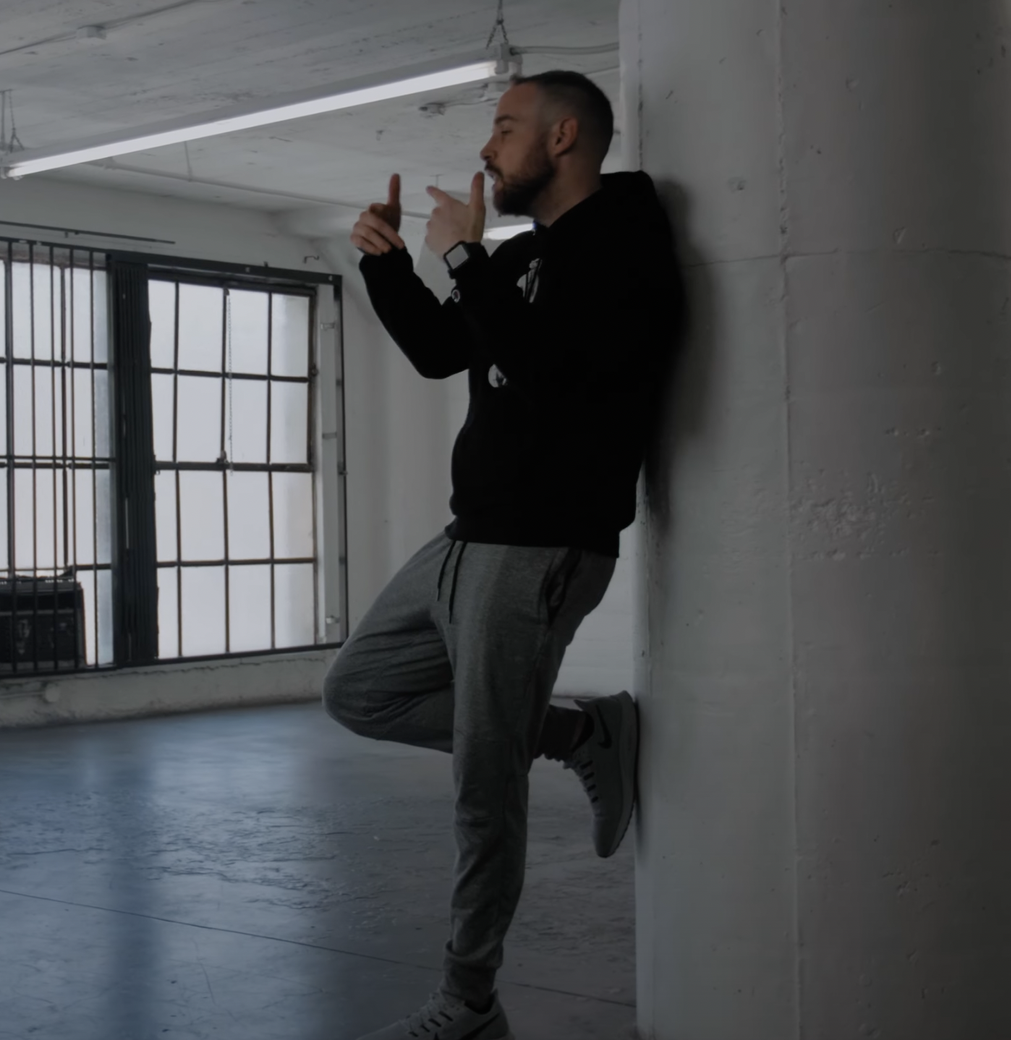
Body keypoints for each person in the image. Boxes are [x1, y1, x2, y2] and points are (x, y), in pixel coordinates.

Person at [325, 68, 682, 1040]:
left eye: (504, 126)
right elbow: (453, 351)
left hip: (541, 545)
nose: (486, 148)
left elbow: (557, 373)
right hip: (469, 534)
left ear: (564, 137)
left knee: (483, 791)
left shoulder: (622, 242)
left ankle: (468, 1002)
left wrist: (467, 256)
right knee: (359, 690)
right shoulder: (530, 254)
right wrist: (389, 264)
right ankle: (578, 733)